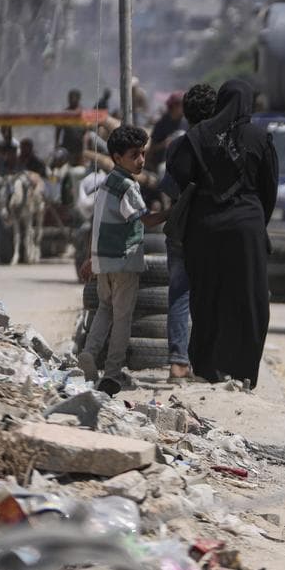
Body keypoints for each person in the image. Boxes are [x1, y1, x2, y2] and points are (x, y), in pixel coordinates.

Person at [167, 79, 278, 388]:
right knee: (250, 300)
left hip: (204, 228)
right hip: (247, 227)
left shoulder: (198, 136)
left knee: (207, 297)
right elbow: (269, 188)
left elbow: (178, 177)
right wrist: (255, 221)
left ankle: (206, 367)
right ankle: (244, 372)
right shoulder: (260, 137)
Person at [78, 125, 167, 396]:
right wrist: (174, 211)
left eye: (143, 153)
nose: (141, 160)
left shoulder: (106, 183)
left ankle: (90, 352)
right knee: (122, 318)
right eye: (134, 155)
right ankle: (113, 373)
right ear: (117, 157)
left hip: (103, 262)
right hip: (124, 262)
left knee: (104, 309)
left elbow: (97, 224)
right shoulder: (127, 186)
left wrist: (91, 258)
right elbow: (146, 220)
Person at [159, 83, 218, 381]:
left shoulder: (177, 146)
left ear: (186, 114)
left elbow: (169, 189)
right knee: (211, 295)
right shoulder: (221, 146)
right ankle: (208, 362)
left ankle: (178, 363)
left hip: (182, 228)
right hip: (212, 229)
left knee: (179, 294)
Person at [147, 92, 187, 171]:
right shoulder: (161, 124)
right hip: (162, 164)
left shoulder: (186, 122)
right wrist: (164, 144)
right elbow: (152, 149)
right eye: (182, 105)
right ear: (174, 106)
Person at [56, 89, 87, 163]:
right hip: (67, 144)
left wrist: (86, 145)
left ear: (78, 99)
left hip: (79, 145)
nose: (71, 100)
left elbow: (87, 130)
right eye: (70, 98)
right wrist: (56, 143)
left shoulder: (83, 112)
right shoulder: (65, 113)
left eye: (73, 98)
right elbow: (58, 129)